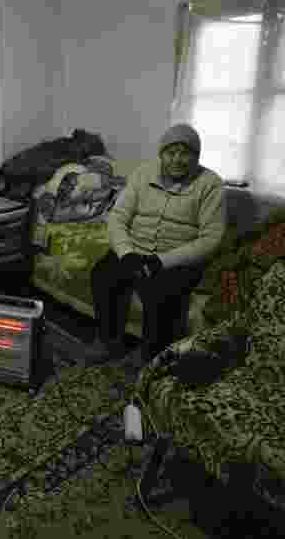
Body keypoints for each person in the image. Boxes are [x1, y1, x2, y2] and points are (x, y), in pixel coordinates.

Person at [89, 123, 227, 364]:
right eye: (170, 152)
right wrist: (126, 253)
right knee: (103, 274)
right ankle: (109, 341)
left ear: (197, 156)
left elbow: (211, 238)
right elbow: (118, 216)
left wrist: (162, 261)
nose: (177, 159)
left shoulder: (211, 184)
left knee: (160, 294)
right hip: (135, 251)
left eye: (186, 153)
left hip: (176, 258)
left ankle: (152, 357)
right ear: (161, 154)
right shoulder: (143, 173)